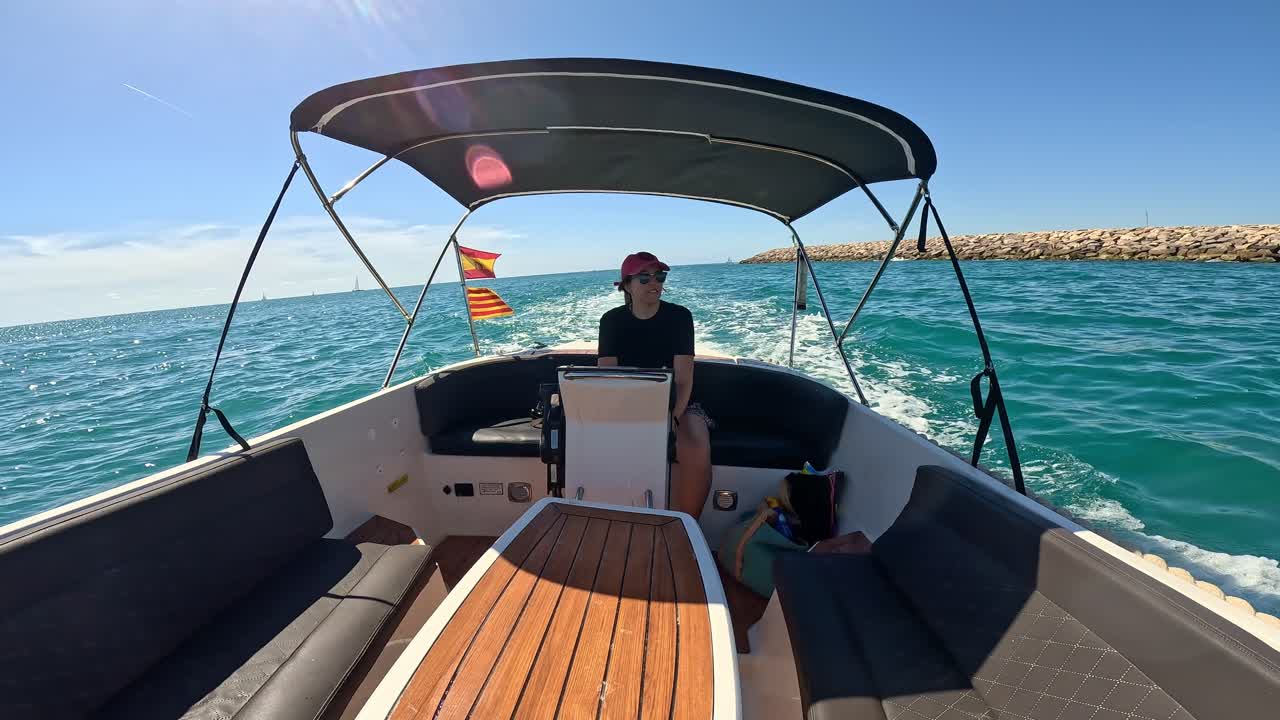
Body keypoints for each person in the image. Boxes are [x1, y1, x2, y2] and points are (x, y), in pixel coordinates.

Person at [598, 251, 712, 518]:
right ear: (626, 285)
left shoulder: (680, 317)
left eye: (659, 276)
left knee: (694, 444)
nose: (654, 283)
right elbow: (608, 377)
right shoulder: (611, 321)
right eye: (644, 278)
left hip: (681, 400)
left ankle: (687, 528)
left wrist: (671, 417)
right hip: (628, 400)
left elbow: (684, 378)